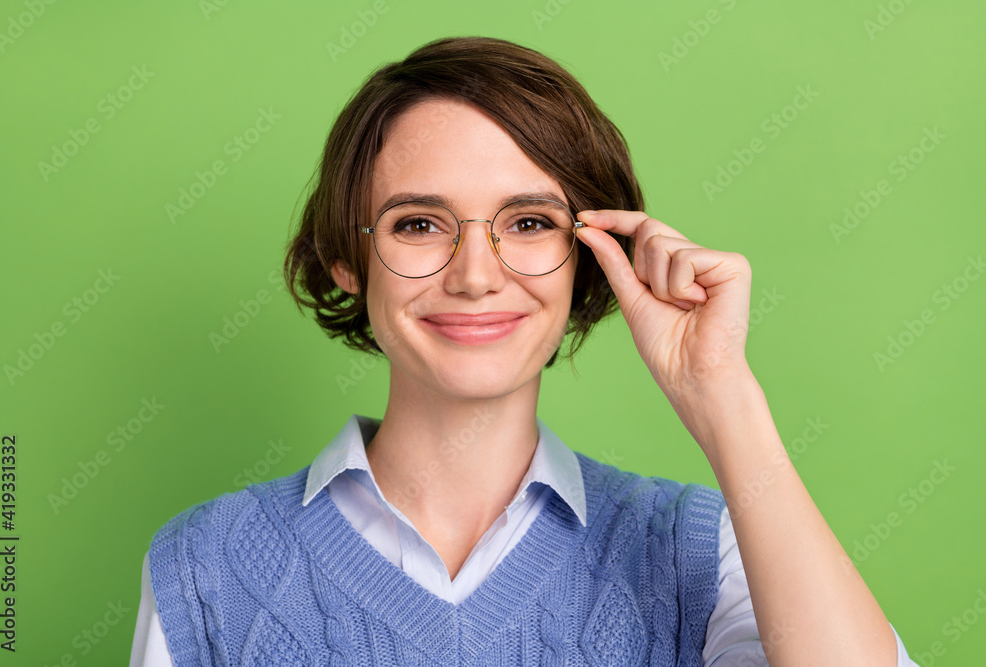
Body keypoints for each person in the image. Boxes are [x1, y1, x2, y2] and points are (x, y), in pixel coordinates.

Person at [130, 36, 920, 665]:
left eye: (531, 223)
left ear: (590, 254)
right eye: (418, 223)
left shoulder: (698, 551)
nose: (476, 275)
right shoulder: (207, 565)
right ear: (348, 257)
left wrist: (722, 394)